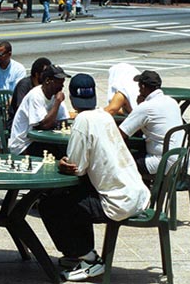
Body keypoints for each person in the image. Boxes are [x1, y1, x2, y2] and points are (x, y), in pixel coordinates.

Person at [38, 74, 151, 282]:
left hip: (119, 204)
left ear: (72, 98)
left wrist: (62, 164)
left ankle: (88, 259)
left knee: (50, 204)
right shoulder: (105, 116)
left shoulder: (82, 120)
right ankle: (80, 253)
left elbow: (76, 168)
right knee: (74, 197)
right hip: (138, 194)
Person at [119, 70, 183, 177]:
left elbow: (121, 134)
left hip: (161, 162)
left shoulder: (146, 107)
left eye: (139, 86)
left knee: (120, 164)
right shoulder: (172, 101)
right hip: (181, 159)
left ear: (143, 87)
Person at [8, 65, 70, 158]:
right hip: (24, 144)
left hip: (40, 141)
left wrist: (55, 121)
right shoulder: (36, 95)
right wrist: (57, 102)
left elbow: (63, 120)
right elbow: (43, 125)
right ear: (48, 81)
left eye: (63, 82)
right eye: (58, 82)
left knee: (68, 149)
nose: (62, 86)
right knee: (59, 154)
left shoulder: (55, 95)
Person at [7, 57, 52, 130]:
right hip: (19, 126)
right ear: (37, 74)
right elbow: (21, 109)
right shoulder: (24, 85)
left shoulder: (45, 87)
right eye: (45, 74)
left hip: (37, 123)